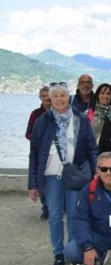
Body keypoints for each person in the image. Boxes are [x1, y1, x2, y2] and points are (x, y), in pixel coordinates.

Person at [28, 82, 98, 265]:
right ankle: (58, 252)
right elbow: (34, 153)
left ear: (69, 97)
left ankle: (73, 251)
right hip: (51, 176)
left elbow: (91, 147)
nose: (59, 99)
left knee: (75, 215)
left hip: (75, 174)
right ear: (50, 98)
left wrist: (97, 171)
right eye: (55, 96)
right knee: (55, 215)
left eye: (63, 95)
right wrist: (33, 184)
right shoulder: (42, 121)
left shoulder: (80, 118)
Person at [25, 85, 51, 219]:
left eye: (48, 95)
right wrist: (38, 140)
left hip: (54, 152)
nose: (47, 98)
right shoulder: (35, 114)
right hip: (40, 151)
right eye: (44, 96)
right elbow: (28, 133)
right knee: (42, 180)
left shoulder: (59, 112)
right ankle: (45, 207)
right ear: (40, 98)